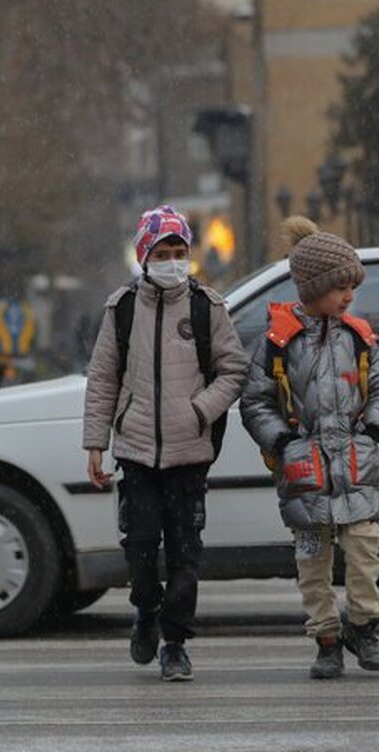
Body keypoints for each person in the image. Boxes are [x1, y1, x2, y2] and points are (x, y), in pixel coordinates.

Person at [83, 205, 247, 682]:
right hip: (135, 453)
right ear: (144, 255)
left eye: (180, 252)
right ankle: (145, 612)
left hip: (189, 455)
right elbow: (102, 378)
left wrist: (199, 409)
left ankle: (174, 642)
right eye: (163, 252)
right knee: (138, 547)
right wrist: (95, 443)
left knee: (184, 554)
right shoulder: (123, 308)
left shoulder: (207, 307)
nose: (173, 261)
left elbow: (234, 369)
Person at [240, 216, 379, 680]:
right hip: (304, 471)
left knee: (366, 552)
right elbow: (256, 400)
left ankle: (363, 626)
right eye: (342, 287)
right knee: (312, 563)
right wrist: (282, 441)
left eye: (353, 286)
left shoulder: (359, 338)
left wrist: (374, 429)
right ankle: (326, 638)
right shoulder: (278, 343)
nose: (350, 295)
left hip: (355, 465)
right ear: (313, 288)